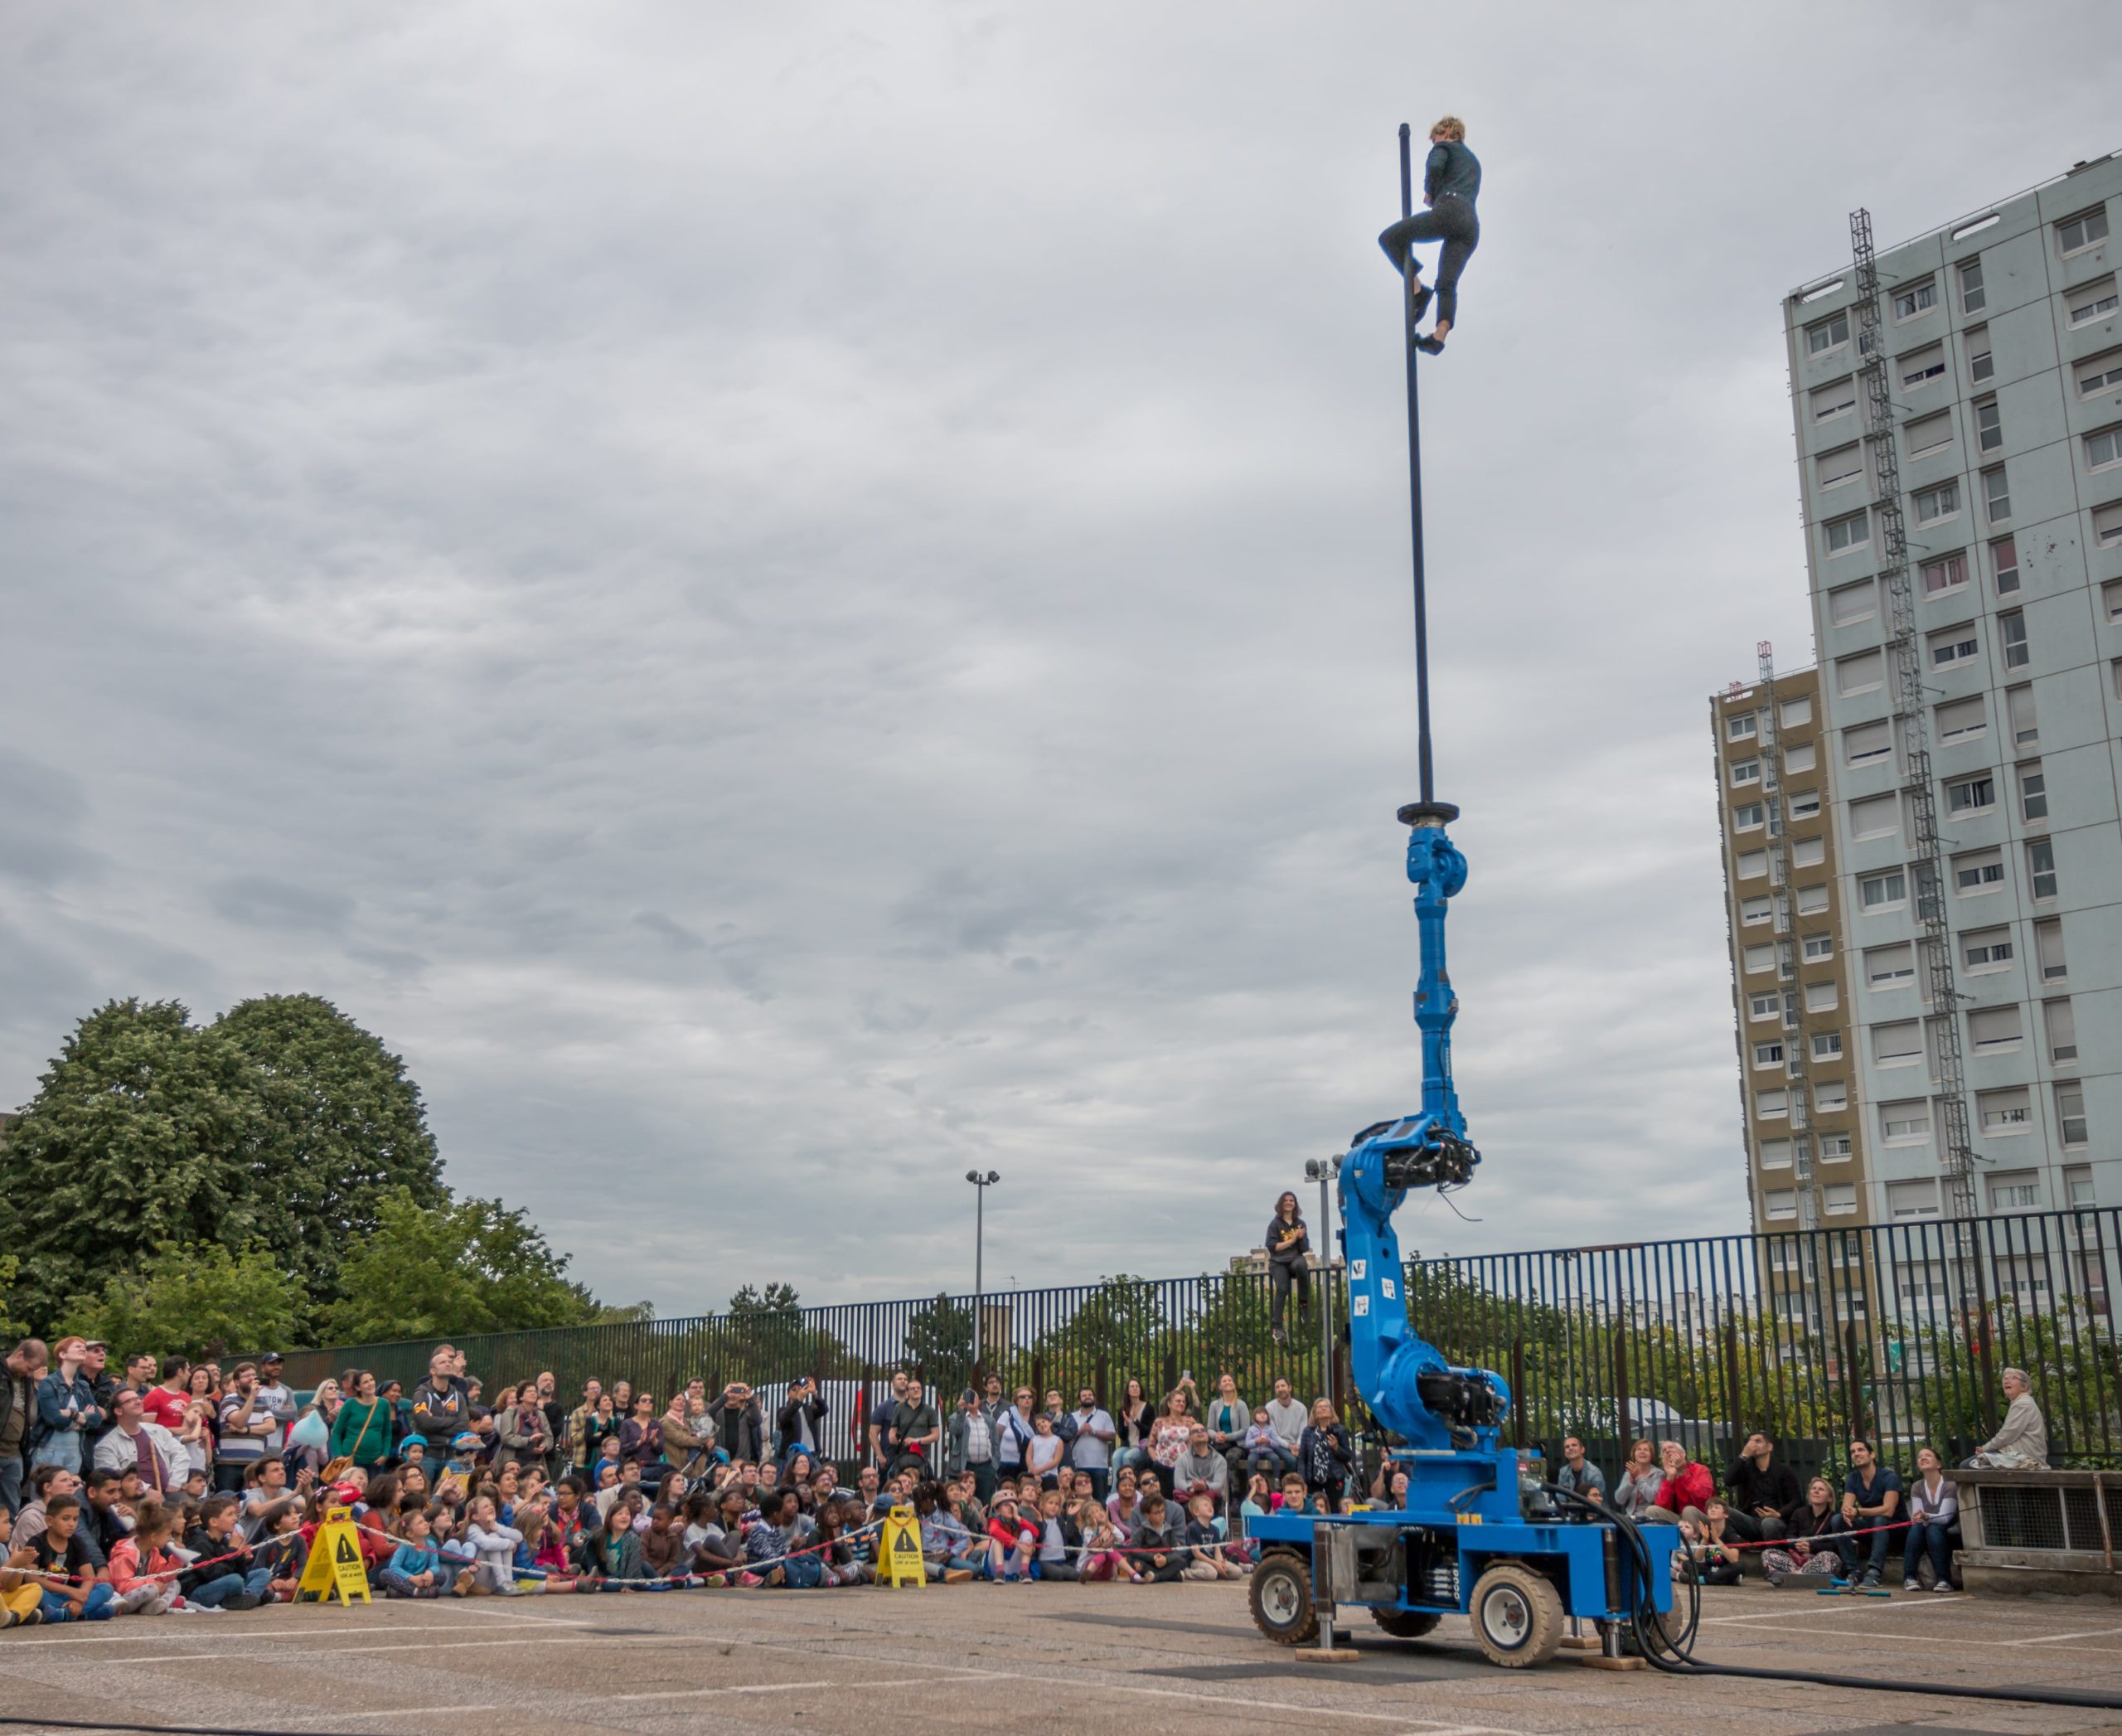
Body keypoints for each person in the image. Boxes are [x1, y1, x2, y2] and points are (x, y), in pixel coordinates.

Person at [1375, 115, 1481, 353]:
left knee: (1390, 239)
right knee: (1447, 283)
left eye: (1435, 138)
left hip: (1451, 210)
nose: (1434, 143)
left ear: (1445, 132)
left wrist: (1430, 192)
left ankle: (1417, 290)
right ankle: (1439, 336)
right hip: (1470, 225)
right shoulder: (1474, 162)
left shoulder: (1444, 147)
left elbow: (1434, 166)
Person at [31, 1494, 114, 1622]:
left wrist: (80, 1596)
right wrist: (70, 1591)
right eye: (65, 1519)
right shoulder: (37, 1542)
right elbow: (31, 1578)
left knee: (106, 1588)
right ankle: (83, 1614)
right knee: (35, 1592)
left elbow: (89, 1577)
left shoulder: (77, 1542)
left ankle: (63, 1614)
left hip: (72, 1596)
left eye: (75, 1519)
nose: (71, 1524)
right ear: (49, 1521)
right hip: (49, 1594)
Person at [30, 1338, 104, 1476]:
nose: (83, 1349)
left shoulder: (83, 1386)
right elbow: (55, 1419)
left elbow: (97, 1420)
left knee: (69, 1493)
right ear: (63, 1354)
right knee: (47, 1493)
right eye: (77, 1347)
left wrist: (71, 1414)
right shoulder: (49, 1383)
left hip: (75, 1450)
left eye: (84, 1347)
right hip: (49, 1448)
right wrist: (82, 1417)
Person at [92, 1390, 183, 1498]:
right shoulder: (105, 1446)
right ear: (118, 1411)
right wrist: (146, 1490)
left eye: (138, 1398)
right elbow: (113, 1479)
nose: (138, 1402)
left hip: (169, 1492)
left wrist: (175, 1483)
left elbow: (181, 1454)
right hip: (133, 1500)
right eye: (130, 1401)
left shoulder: (158, 1430)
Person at [1840, 1438, 1902, 1589]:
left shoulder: (1889, 1477)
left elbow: (1888, 1510)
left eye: (1860, 1450)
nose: (1856, 1454)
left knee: (1880, 1519)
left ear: (1872, 1455)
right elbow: (1846, 1507)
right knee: (1838, 1521)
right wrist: (1847, 1513)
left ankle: (1874, 1573)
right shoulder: (1853, 1478)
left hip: (1897, 1529)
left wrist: (1859, 1511)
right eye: (1853, 1452)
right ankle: (1853, 1570)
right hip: (1871, 1528)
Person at [1, 1340, 50, 1517]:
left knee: (11, 1510)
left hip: (15, 1453)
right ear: (20, 1354)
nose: (30, 1373)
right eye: (29, 1368)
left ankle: (7, 1545)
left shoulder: (26, 1380)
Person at [1722, 1432, 1797, 1544]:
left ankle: (1773, 1557)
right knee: (1725, 1511)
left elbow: (1796, 1500)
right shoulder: (1747, 1469)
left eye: (1758, 1441)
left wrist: (1779, 1514)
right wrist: (1743, 1456)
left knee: (1768, 1523)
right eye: (1751, 1441)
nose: (1753, 1444)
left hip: (1776, 1521)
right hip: (1751, 1520)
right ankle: (1738, 1546)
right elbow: (1728, 1480)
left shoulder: (1783, 1471)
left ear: (1769, 1447)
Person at [1902, 1447, 1960, 1592]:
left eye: (1928, 1455)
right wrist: (1920, 1517)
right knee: (1916, 1528)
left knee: (1934, 1529)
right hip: (1926, 1525)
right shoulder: (1917, 1487)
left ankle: (1944, 1579)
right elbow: (1917, 1516)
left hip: (1947, 1527)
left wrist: (1925, 1516)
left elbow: (1945, 1517)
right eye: (1920, 1456)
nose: (1923, 1458)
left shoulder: (1950, 1485)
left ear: (1938, 1464)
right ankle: (1909, 1577)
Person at [1968, 1368, 2049, 1468]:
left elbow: (2007, 1435)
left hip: (2023, 1456)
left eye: (2013, 1378)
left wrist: (1985, 1448)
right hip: (2016, 1454)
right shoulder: (2020, 1402)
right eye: (2005, 1378)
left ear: (2024, 1386)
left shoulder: (2023, 1404)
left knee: (1967, 1466)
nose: (2007, 1380)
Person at [1265, 1192, 1311, 1343]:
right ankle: (1276, 1326)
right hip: (1278, 1262)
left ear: (1295, 1204)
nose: (1289, 1203)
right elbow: (1273, 1247)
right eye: (1286, 1200)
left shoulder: (1300, 1224)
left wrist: (1301, 1238)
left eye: (1291, 1201)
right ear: (1281, 1204)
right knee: (1283, 1288)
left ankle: (1303, 1304)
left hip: (1294, 1260)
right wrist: (1292, 1240)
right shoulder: (1275, 1224)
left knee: (1302, 1264)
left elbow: (1304, 1249)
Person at [409, 1350, 472, 1460]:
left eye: (449, 1362)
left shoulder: (458, 1396)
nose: (448, 1364)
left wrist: (434, 1424)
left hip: (451, 1454)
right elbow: (424, 1423)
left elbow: (464, 1425)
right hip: (427, 1454)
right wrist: (452, 1420)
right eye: (442, 1362)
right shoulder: (421, 1394)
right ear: (433, 1371)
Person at [329, 1371, 395, 1471]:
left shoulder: (384, 1404)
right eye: (365, 1382)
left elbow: (387, 1433)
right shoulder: (350, 1404)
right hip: (351, 1459)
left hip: (375, 1460)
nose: (370, 1384)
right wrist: (339, 1455)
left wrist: (385, 1454)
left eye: (371, 1380)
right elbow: (337, 1432)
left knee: (374, 1486)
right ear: (358, 1387)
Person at [379, 1507, 446, 1598]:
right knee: (385, 1574)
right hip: (406, 1579)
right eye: (420, 1523)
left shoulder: (431, 1545)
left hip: (422, 1579)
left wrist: (429, 1572)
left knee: (441, 1575)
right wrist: (412, 1578)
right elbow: (394, 1566)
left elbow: (435, 1565)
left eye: (424, 1520)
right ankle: (417, 1592)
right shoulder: (405, 1546)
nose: (426, 1523)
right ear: (410, 1533)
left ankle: (400, 1593)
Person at [1299, 1399, 1353, 1511]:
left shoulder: (1340, 1430)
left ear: (1331, 1411)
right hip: (1313, 1479)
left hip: (1334, 1477)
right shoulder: (1308, 1432)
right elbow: (1302, 1458)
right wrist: (1302, 1481)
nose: (1323, 1408)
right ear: (1315, 1413)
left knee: (1335, 1508)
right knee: (1313, 1507)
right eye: (1320, 1407)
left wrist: (1336, 1448)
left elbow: (1347, 1456)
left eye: (1326, 1406)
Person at [947, 1389, 999, 1504]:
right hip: (966, 1465)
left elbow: (995, 1443)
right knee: (963, 1499)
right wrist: (961, 1411)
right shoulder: (955, 1417)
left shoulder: (989, 1420)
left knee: (986, 1501)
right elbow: (956, 1430)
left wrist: (994, 1465)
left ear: (979, 1402)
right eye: (966, 1396)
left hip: (985, 1466)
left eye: (973, 1396)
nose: (970, 1399)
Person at [1650, 1441, 1713, 1533]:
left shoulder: (1700, 1469)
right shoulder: (1667, 1474)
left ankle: (1696, 1545)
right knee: (1652, 1510)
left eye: (1671, 1448)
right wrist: (1669, 1479)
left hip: (1701, 1516)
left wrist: (1683, 1473)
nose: (1667, 1451)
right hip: (1680, 1520)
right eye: (1664, 1450)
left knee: (1688, 1510)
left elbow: (1703, 1497)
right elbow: (1661, 1505)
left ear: (1682, 1453)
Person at [1130, 1489, 1189, 1583]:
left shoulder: (1169, 1529)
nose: (1161, 1515)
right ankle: (1173, 1577)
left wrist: (1166, 1559)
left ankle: (1156, 1577)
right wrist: (1152, 1557)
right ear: (1147, 1515)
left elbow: (1175, 1550)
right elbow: (1134, 1549)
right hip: (1149, 1561)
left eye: (1163, 1511)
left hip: (1164, 1562)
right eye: (1157, 1513)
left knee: (1181, 1561)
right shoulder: (1142, 1530)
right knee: (1138, 1564)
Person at [1067, 1388, 1116, 1501]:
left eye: (1090, 1395)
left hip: (1099, 1465)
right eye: (1084, 1395)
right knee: (1078, 1498)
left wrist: (1093, 1431)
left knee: (1100, 1499)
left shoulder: (1104, 1415)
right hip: (1078, 1464)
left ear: (1094, 1398)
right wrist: (1080, 1431)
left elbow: (1112, 1436)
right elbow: (1066, 1438)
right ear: (1079, 1401)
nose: (1088, 1397)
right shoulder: (1072, 1417)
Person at [1173, 1428, 1229, 1514]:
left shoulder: (1220, 1460)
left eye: (1203, 1430)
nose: (1199, 1432)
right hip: (1189, 1495)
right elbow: (1178, 1482)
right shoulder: (1182, 1459)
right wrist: (1191, 1488)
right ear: (1190, 1438)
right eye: (1195, 1431)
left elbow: (1219, 1484)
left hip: (1211, 1497)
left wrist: (1205, 1487)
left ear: (1208, 1436)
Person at [776, 1376, 828, 1464]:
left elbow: (824, 1409)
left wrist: (815, 1393)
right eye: (794, 1389)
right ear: (788, 1394)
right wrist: (798, 1400)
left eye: (800, 1389)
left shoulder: (808, 1409)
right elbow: (784, 1418)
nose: (797, 1391)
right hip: (794, 1454)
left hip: (811, 1452)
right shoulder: (783, 1410)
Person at [1612, 1438, 1664, 1522]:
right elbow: (1619, 1499)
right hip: (1631, 1517)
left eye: (1646, 1450)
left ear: (1651, 1455)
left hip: (1650, 1517)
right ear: (1634, 1454)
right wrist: (1631, 1482)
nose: (1642, 1452)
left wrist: (1638, 1478)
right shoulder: (1629, 1474)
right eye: (1639, 1449)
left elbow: (1653, 1498)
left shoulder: (1659, 1474)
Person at [1112, 1378, 1153, 1474]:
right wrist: (1126, 1424)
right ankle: (1115, 1488)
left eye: (1137, 1386)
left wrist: (1135, 1420)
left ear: (1140, 1390)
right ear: (1128, 1391)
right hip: (1127, 1446)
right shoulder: (1123, 1409)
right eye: (1132, 1386)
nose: (1135, 1388)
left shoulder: (1148, 1408)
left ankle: (1130, 1484)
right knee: (1116, 1457)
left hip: (1141, 1446)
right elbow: (1121, 1435)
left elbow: (1149, 1431)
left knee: (1128, 1457)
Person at [1555, 1435, 1605, 1506]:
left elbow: (1598, 1500)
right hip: (1570, 1513)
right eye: (1567, 1447)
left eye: (1574, 1445)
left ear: (1582, 1450)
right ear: (1565, 1454)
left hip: (1593, 1513)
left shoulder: (1594, 1473)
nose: (1570, 1448)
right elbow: (1560, 1498)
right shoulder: (1563, 1472)